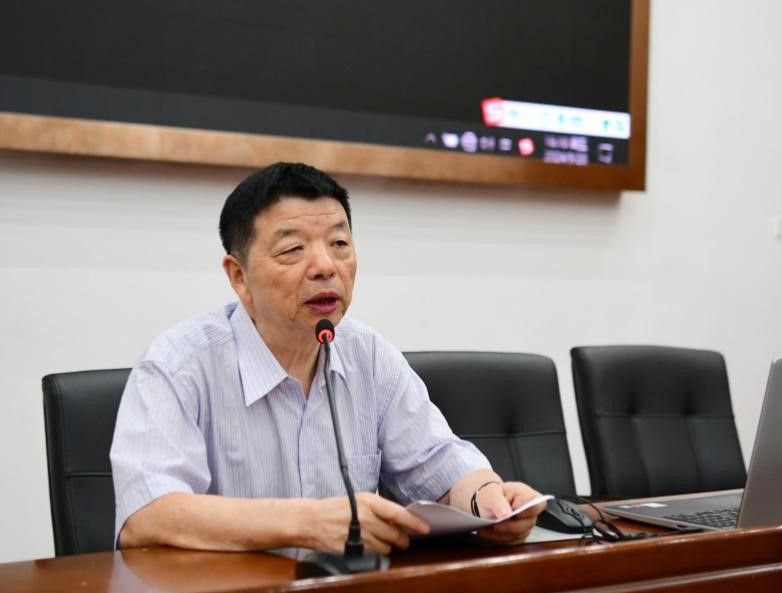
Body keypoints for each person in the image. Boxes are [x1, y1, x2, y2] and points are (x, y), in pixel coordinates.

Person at [111, 161, 543, 555]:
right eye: (292, 250)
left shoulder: (368, 356)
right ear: (239, 276)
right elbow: (147, 516)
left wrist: (487, 498)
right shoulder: (178, 365)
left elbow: (439, 465)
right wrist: (307, 523)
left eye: (339, 243)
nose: (325, 266)